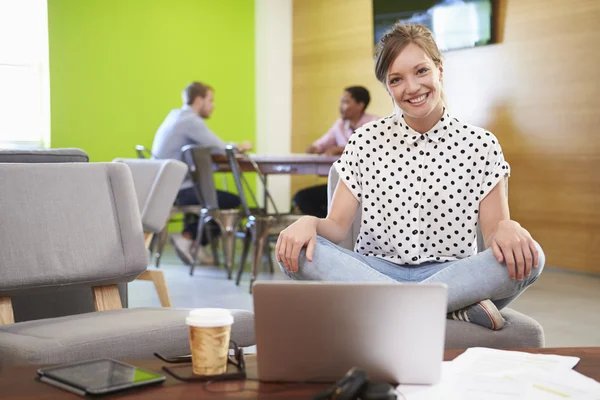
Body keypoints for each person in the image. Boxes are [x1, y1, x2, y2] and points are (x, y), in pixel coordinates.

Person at [275, 23, 545, 331]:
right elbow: (336, 228)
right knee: (292, 249)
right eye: (396, 79)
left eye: (421, 71)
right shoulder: (365, 140)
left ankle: (389, 306)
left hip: (453, 272)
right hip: (375, 268)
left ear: (439, 70)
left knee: (533, 256)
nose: (412, 87)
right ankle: (450, 308)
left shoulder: (480, 144)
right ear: (387, 87)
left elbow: (495, 234)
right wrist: (308, 222)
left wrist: (508, 227)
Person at [152, 81, 252, 265]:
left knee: (211, 195)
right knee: (230, 202)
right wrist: (241, 146)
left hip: (164, 187)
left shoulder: (175, 116)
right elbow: (220, 148)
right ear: (198, 100)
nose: (213, 105)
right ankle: (189, 238)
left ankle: (195, 243)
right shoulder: (191, 121)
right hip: (178, 190)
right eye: (211, 100)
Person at [293, 86, 378, 218]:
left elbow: (373, 150)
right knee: (301, 198)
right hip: (342, 183)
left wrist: (342, 149)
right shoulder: (340, 125)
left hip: (367, 186)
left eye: (345, 102)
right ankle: (329, 231)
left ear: (360, 105)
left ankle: (336, 227)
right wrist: (314, 148)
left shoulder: (374, 123)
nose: (340, 106)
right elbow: (319, 145)